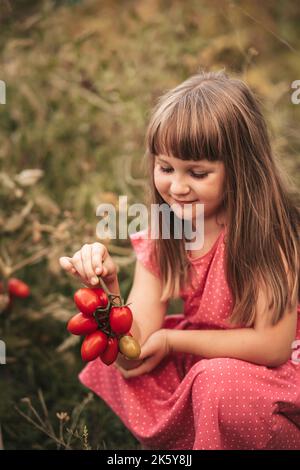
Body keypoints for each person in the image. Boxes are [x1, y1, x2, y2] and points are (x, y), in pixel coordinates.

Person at [59, 70, 300, 450]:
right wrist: (109, 287)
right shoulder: (165, 231)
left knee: (218, 383)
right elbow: (134, 353)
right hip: (209, 365)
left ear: (241, 168)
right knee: (153, 376)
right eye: (166, 168)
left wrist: (174, 340)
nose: (178, 187)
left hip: (276, 380)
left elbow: (273, 346)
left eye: (198, 173)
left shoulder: (268, 233)